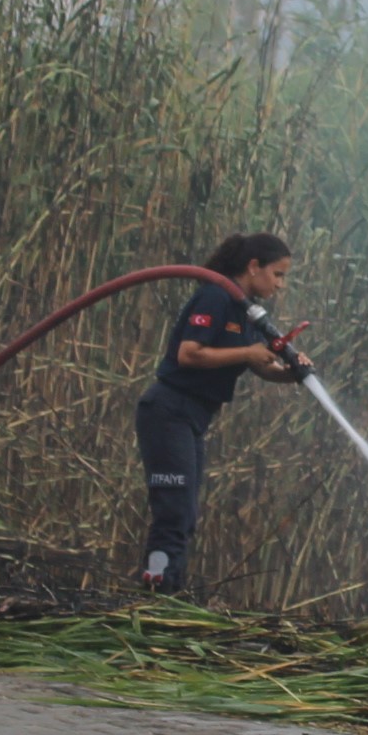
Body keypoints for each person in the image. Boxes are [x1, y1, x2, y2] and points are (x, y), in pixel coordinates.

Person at [135, 233, 305, 592]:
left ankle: (169, 597)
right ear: (253, 266)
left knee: (186, 514)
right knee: (174, 513)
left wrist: (293, 374)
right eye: (277, 274)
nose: (280, 284)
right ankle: (155, 599)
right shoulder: (215, 296)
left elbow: (259, 365)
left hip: (192, 418)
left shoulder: (243, 311)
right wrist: (247, 353)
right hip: (168, 412)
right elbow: (189, 354)